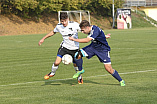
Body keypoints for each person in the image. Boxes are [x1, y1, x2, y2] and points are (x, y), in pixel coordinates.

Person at [69, 20, 125, 86]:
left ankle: (121, 80)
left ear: (87, 27)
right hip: (93, 47)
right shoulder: (92, 30)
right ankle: (80, 70)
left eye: (83, 30)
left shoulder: (94, 30)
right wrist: (104, 36)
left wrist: (74, 39)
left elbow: (87, 40)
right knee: (77, 55)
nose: (82, 32)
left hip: (103, 50)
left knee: (108, 69)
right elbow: (99, 35)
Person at [38, 12, 84, 84]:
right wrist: (43, 38)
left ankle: (79, 77)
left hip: (75, 48)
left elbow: (84, 30)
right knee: (57, 62)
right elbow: (53, 32)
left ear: (68, 19)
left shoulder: (74, 25)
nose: (64, 23)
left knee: (75, 65)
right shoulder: (59, 26)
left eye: (65, 21)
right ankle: (52, 73)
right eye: (62, 21)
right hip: (64, 47)